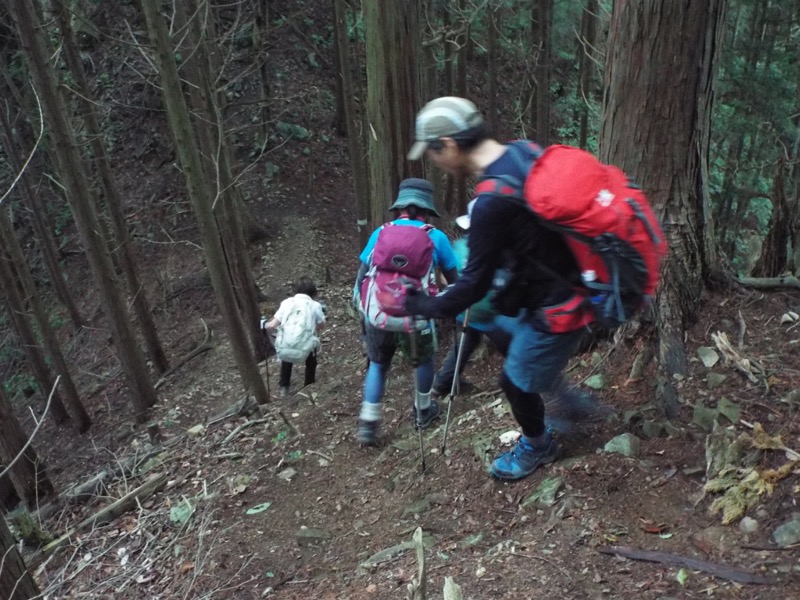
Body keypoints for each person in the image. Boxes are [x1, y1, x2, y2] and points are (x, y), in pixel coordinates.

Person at [404, 97, 593, 480]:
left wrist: (423, 304)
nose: (435, 163)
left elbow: (473, 286)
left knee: (513, 381)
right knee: (503, 333)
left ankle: (538, 446)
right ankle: (565, 398)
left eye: (433, 152)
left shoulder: (490, 202)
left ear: (451, 145)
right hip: (562, 285)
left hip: (559, 305)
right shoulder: (522, 152)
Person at [355, 178, 459, 445]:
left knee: (378, 364)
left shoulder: (381, 232)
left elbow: (362, 275)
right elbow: (455, 278)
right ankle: (423, 411)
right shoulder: (436, 236)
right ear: (426, 209)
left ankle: (368, 422)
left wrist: (364, 309)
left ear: (400, 206)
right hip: (417, 314)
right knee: (423, 360)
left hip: (379, 312)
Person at [431, 200, 511, 399]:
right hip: (488, 309)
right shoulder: (494, 246)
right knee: (511, 346)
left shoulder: (458, 247)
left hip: (464, 307)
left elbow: (444, 278)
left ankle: (442, 383)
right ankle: (518, 378)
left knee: (463, 345)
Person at [262, 276, 326, 398]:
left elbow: (272, 325)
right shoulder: (315, 305)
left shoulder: (286, 303)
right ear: (313, 291)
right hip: (305, 348)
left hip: (284, 348)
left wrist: (263, 324)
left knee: (288, 349)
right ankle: (308, 386)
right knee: (311, 360)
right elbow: (321, 325)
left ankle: (284, 387)